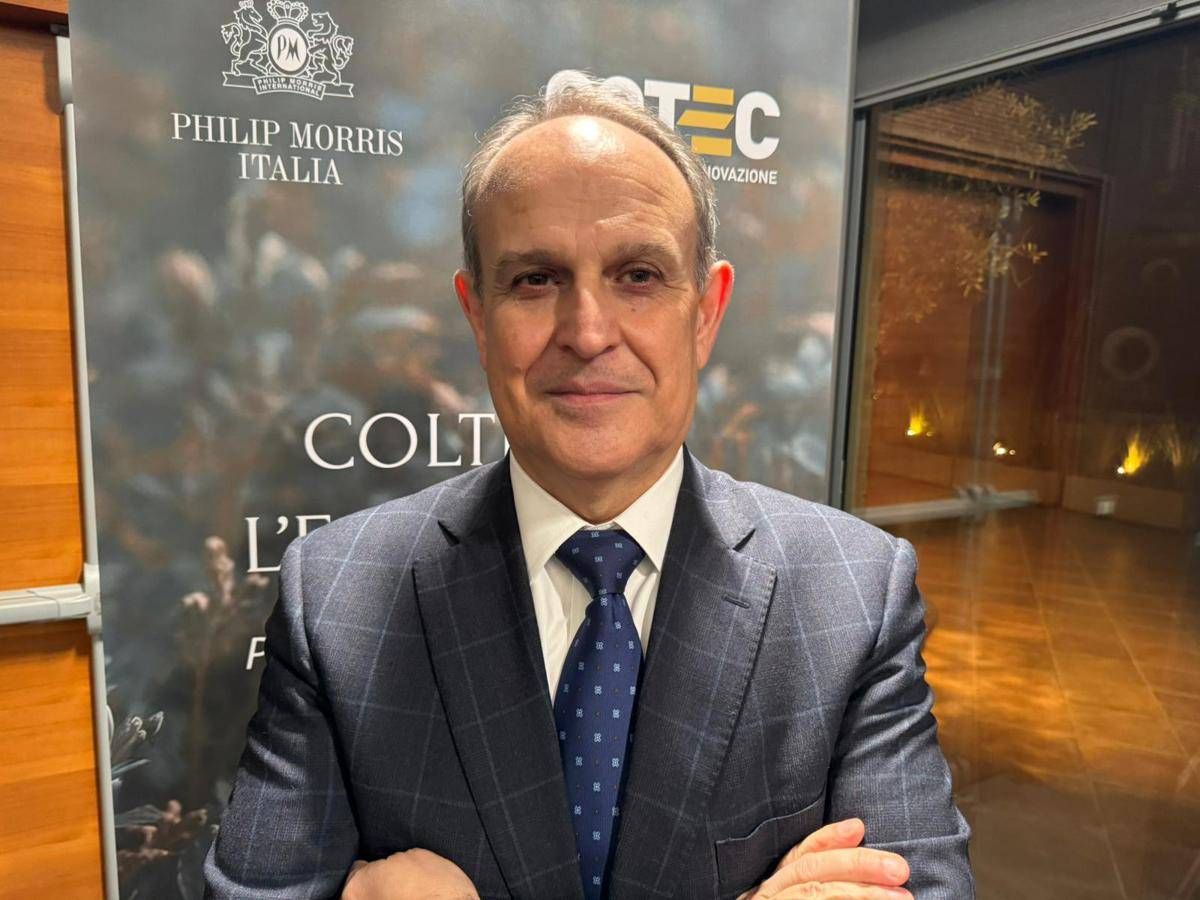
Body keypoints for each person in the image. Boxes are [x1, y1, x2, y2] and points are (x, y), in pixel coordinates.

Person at [203, 71, 973, 900]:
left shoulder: (854, 591)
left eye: (638, 275)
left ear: (706, 312)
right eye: (536, 279)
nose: (588, 332)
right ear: (477, 316)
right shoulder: (336, 596)